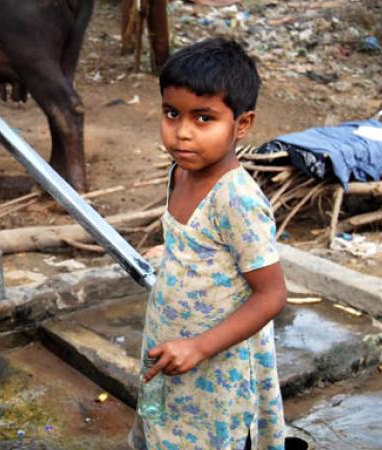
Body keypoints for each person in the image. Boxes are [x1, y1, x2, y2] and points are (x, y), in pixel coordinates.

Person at [131, 38, 288, 450]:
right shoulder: (180, 173)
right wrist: (175, 251)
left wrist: (199, 347)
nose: (182, 133)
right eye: (172, 113)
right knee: (167, 429)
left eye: (204, 119)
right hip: (173, 345)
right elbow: (204, 242)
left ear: (242, 124)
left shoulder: (236, 199)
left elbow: (271, 295)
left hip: (218, 365)